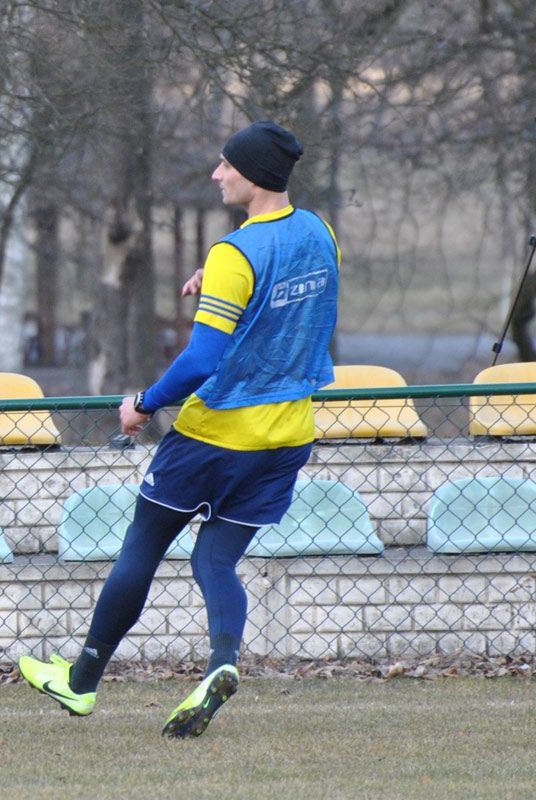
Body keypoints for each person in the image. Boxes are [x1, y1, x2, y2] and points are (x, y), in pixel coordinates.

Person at [19, 120, 339, 738]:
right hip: (288, 437)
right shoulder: (320, 233)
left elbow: (200, 361)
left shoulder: (234, 255)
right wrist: (216, 276)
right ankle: (221, 665)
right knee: (215, 558)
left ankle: (81, 681)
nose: (217, 174)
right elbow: (281, 292)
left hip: (214, 437)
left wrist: (144, 403)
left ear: (253, 175)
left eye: (226, 165)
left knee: (142, 546)